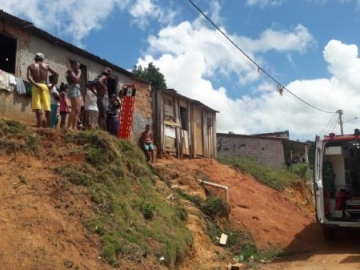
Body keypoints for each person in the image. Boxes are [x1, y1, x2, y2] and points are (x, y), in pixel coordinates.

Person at [27, 52, 58, 127]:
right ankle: (50, 127)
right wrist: (53, 84)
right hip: (45, 86)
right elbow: (56, 74)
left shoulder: (31, 66)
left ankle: (40, 125)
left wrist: (36, 85)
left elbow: (29, 77)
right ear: (42, 59)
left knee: (38, 106)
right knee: (47, 107)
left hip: (36, 85)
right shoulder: (46, 66)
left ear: (35, 59)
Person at [66, 59, 82, 131]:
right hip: (73, 88)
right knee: (74, 108)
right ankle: (69, 126)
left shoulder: (76, 72)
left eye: (79, 66)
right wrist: (79, 73)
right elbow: (76, 79)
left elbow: (78, 81)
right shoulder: (70, 71)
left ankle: (74, 127)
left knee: (78, 110)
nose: (78, 67)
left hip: (78, 89)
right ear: (73, 65)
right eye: (77, 65)